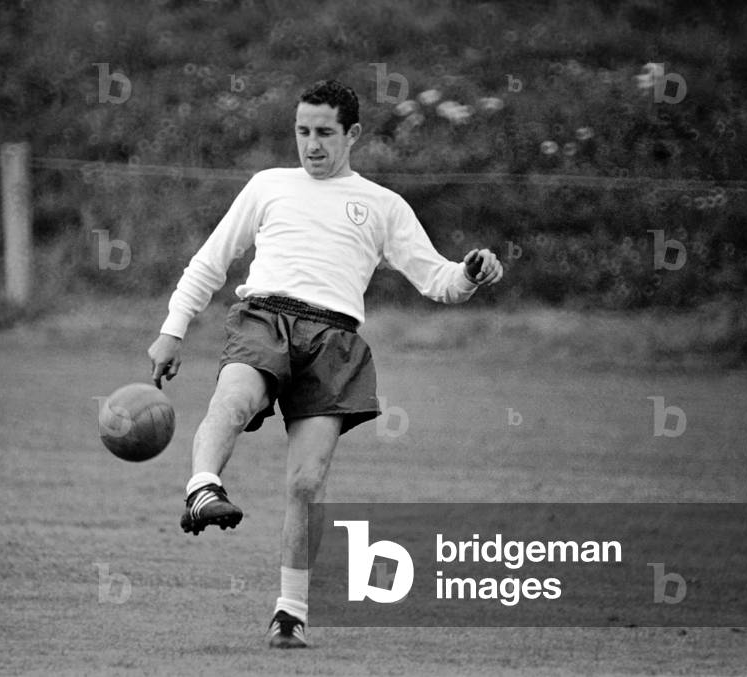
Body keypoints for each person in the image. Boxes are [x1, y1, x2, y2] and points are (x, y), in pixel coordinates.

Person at [147, 79, 502, 648]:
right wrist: (172, 330)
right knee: (233, 401)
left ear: (352, 135)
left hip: (335, 341)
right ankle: (202, 489)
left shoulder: (383, 205)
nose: (311, 145)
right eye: (302, 132)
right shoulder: (268, 186)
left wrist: (469, 272)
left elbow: (438, 280)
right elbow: (210, 263)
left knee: (306, 483)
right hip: (265, 316)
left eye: (324, 133)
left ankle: (289, 613)